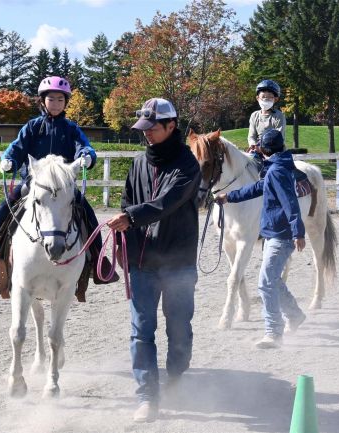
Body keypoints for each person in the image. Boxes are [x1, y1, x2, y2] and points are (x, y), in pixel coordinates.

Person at [0, 76, 117, 295]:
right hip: (34, 183)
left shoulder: (72, 129)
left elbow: (85, 147)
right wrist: (8, 159)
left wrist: (87, 156)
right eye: (51, 99)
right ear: (43, 101)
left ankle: (96, 258)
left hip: (63, 184)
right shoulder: (32, 127)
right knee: (3, 208)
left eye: (59, 99)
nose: (55, 104)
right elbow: (16, 148)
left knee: (87, 211)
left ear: (65, 102)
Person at [107, 98, 201, 423]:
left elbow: (168, 202)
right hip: (142, 262)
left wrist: (130, 218)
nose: (145, 135)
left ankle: (176, 378)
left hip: (178, 263)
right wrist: (125, 243)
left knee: (179, 330)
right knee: (141, 331)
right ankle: (148, 396)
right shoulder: (137, 164)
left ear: (171, 126)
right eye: (143, 129)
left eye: (152, 129)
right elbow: (126, 199)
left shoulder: (189, 165)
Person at [215, 129, 306, 349]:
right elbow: (258, 188)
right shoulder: (276, 167)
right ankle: (295, 315)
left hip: (280, 235)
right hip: (273, 233)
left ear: (263, 149)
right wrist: (230, 197)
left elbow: (290, 202)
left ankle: (273, 332)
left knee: (265, 283)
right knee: (273, 279)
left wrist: (298, 232)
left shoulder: (275, 171)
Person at [247, 79, 286, 152]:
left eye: (269, 97)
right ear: (258, 98)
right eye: (263, 97)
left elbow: (278, 137)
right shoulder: (254, 115)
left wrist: (263, 149)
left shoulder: (279, 116)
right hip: (257, 150)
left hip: (274, 151)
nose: (266, 99)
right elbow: (251, 136)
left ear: (275, 99)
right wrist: (253, 145)